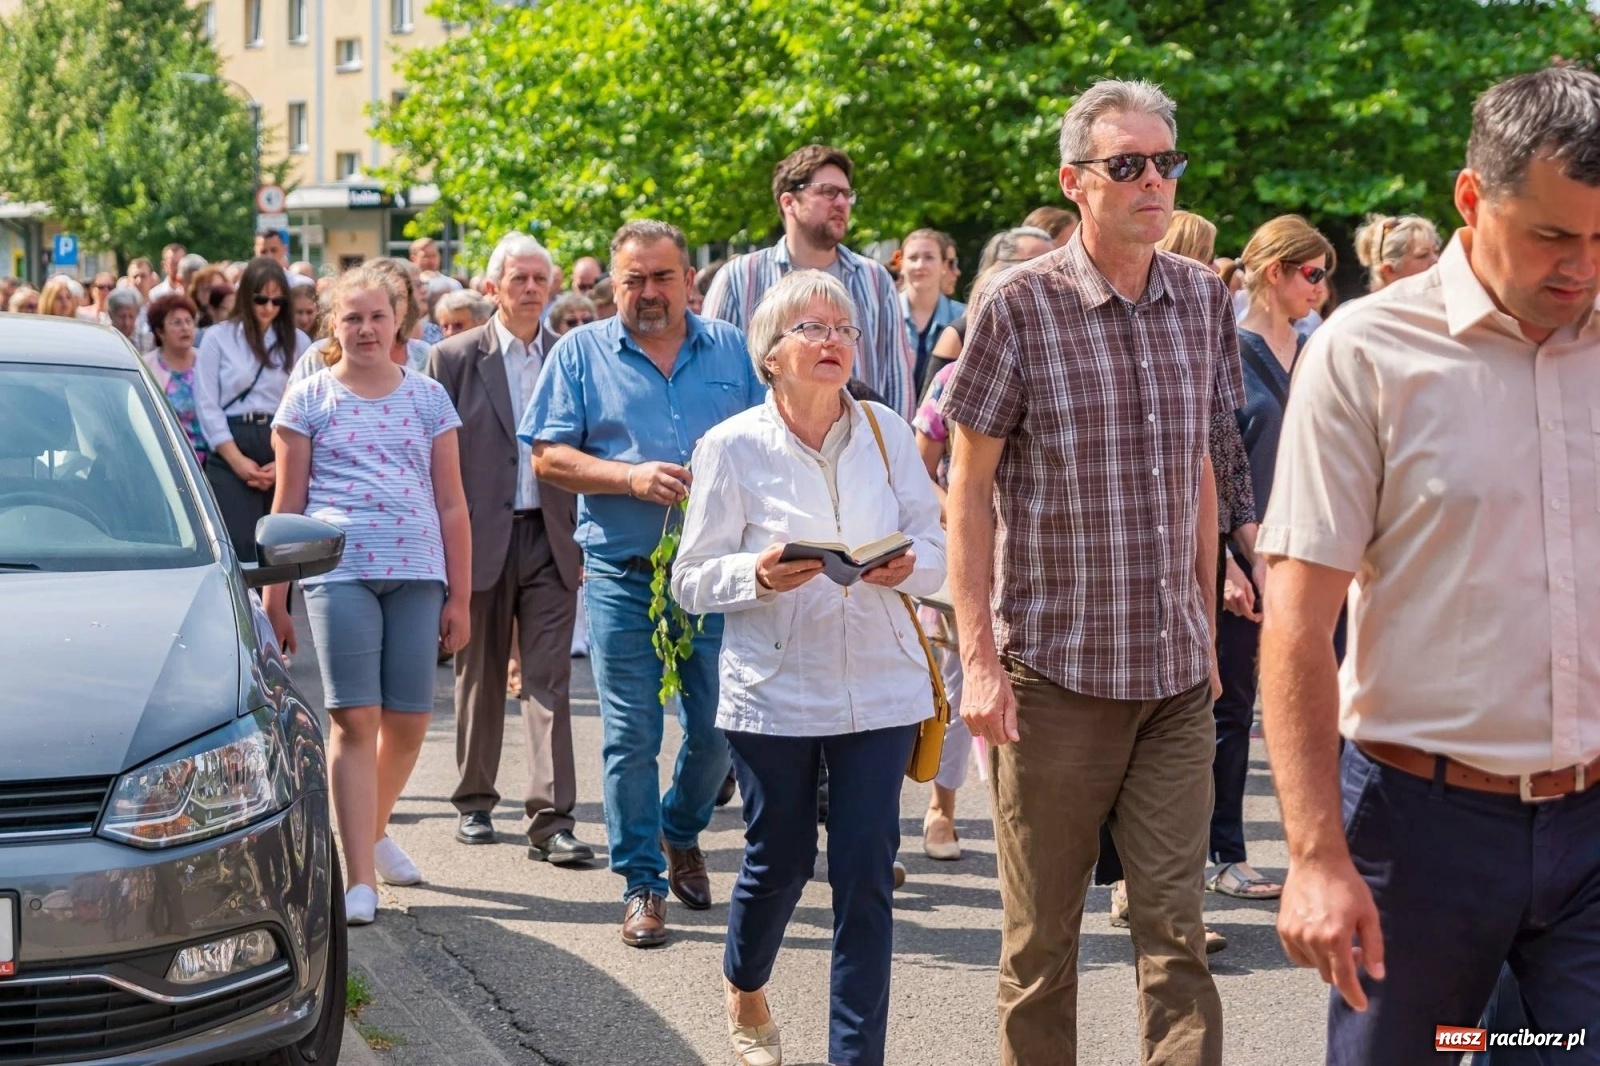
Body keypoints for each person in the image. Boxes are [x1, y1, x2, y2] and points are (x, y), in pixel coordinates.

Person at [1260, 65, 1600, 1066]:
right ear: (1468, 197)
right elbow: (1296, 618)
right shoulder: (1366, 355)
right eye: (1549, 234)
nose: (1580, 265)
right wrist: (1315, 855)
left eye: (1599, 236)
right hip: (1420, 841)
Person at [942, 80, 1237, 1065]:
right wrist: (977, 662)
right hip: (1051, 683)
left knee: (1176, 938)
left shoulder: (1201, 299)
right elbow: (968, 489)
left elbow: (1200, 468)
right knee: (1039, 950)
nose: (1154, 181)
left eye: (1166, 162)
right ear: (1075, 182)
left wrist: (1203, 629)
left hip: (1171, 685)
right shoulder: (1019, 308)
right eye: (1128, 165)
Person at [672, 269, 946, 1066]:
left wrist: (909, 568)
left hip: (882, 688)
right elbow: (691, 580)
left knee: (866, 874)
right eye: (812, 329)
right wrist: (754, 573)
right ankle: (745, 980)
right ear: (771, 353)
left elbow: (933, 546)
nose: (833, 343)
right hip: (775, 694)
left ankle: (854, 1057)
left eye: (844, 330)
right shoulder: (730, 447)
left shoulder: (890, 431)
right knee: (781, 858)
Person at [526, 220, 765, 947]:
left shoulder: (731, 348)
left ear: (689, 279)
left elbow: (769, 438)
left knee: (722, 728)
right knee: (631, 733)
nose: (650, 292)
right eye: (634, 279)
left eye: (663, 277)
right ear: (613, 285)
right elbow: (548, 458)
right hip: (622, 574)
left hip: (715, 576)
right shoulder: (578, 352)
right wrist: (628, 477)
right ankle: (641, 884)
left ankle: (679, 828)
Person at [263, 265, 471, 925]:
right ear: (332, 325)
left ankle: (371, 828)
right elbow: (286, 506)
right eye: (351, 317)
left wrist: (461, 597)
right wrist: (275, 599)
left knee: (409, 722)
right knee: (356, 721)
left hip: (418, 570)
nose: (366, 328)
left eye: (378, 316)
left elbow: (453, 504)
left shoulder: (430, 399)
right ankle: (359, 878)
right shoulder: (308, 399)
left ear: (399, 320)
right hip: (338, 572)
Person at [1094, 209, 1262, 953]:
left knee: (1193, 739)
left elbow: (1220, 458)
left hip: (1204, 550)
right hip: (1134, 578)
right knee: (1133, 743)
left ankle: (1165, 897)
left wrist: (1243, 547)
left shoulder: (1207, 321)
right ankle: (1140, 888)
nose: (1218, 276)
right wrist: (1224, 558)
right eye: (1209, 260)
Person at [426, 233, 595, 865]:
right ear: (492, 287)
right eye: (518, 278)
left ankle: (552, 820)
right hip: (479, 535)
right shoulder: (453, 359)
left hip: (551, 536)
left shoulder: (573, 355)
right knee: (480, 673)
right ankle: (474, 800)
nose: (530, 288)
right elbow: (432, 462)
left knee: (550, 678)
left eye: (539, 279)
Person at [704, 144, 915, 418]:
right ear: (788, 202)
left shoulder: (875, 279)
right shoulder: (739, 278)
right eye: (828, 192)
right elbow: (712, 376)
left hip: (860, 451)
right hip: (765, 452)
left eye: (846, 194)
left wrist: (893, 449)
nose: (841, 202)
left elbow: (897, 380)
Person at [195, 257, 312, 562]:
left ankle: (277, 611)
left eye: (277, 300)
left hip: (282, 438)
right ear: (246, 296)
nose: (269, 308)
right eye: (261, 299)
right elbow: (207, 404)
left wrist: (282, 462)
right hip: (232, 440)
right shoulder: (217, 337)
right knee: (239, 546)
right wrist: (235, 459)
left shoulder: (298, 341)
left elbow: (306, 400)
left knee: (282, 548)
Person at [141, 293, 208, 466]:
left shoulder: (208, 361)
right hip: (169, 461)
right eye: (176, 323)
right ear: (160, 331)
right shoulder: (146, 366)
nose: (185, 328)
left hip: (214, 458)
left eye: (189, 321)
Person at [899, 228, 965, 398]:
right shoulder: (883, 314)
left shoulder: (962, 317)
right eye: (913, 258)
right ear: (901, 264)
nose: (920, 265)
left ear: (944, 265)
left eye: (929, 257)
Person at [1353, 213, 1443, 292]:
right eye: (1422, 255)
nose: (1436, 261)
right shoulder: (1370, 311)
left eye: (1436, 252)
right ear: (1389, 271)